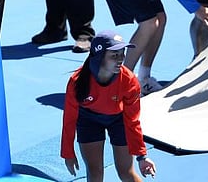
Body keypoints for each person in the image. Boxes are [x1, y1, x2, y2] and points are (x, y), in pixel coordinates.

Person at [62, 30, 157, 181]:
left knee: (126, 172)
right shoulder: (76, 82)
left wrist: (142, 156)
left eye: (122, 54)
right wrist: (68, 153)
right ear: (99, 57)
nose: (120, 60)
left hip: (119, 120)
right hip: (89, 120)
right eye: (114, 56)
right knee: (95, 172)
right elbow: (69, 120)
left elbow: (132, 121)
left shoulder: (129, 81)